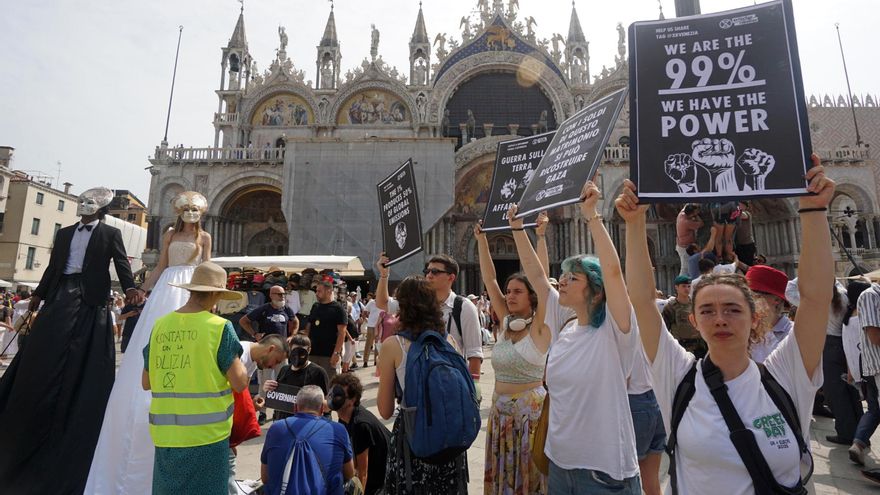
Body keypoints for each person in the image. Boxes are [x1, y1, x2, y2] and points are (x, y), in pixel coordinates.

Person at [617, 156, 833, 494]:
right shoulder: (677, 377)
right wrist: (633, 223)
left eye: (732, 309)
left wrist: (814, 211)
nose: (719, 318)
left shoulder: (787, 374)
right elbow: (642, 301)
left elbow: (817, 298)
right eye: (707, 311)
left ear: (755, 315)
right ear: (693, 320)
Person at [0, 186, 141, 493]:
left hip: (91, 295)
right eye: (82, 202)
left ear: (100, 209)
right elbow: (53, 267)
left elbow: (121, 264)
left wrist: (130, 288)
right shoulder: (64, 234)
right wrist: (38, 294)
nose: (83, 206)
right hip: (62, 290)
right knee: (49, 337)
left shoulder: (109, 234)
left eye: (89, 204)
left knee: (85, 342)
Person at [511, 181, 642, 494]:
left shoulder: (615, 331)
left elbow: (613, 273)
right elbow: (538, 278)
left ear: (595, 291)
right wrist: (517, 229)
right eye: (564, 276)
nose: (563, 282)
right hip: (559, 465)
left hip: (602, 473)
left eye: (573, 278)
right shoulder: (566, 326)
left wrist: (592, 215)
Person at [86, 190, 212, 494]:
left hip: (190, 287)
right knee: (154, 337)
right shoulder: (169, 234)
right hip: (167, 289)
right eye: (186, 210)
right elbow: (160, 266)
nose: (190, 216)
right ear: (179, 212)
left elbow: (206, 269)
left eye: (195, 211)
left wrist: (209, 299)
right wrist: (140, 289)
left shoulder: (205, 238)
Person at [142, 261, 249, 495]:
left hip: (166, 435)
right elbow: (240, 382)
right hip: (207, 436)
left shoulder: (160, 325)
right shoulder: (219, 327)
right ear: (212, 293)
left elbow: (146, 382)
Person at [475, 217, 551, 494]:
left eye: (518, 291)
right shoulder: (506, 323)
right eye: (508, 292)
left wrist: (540, 238)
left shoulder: (541, 328)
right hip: (500, 416)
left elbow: (541, 280)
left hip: (530, 419)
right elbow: (489, 278)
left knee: (528, 480)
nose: (509, 296)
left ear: (532, 297)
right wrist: (482, 240)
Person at [376, 273, 471, 493]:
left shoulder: (393, 345)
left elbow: (385, 410)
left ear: (403, 305)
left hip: (413, 440)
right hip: (450, 439)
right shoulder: (449, 341)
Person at [376, 254, 484, 387]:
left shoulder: (463, 307)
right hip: (420, 381)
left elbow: (474, 354)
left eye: (435, 272)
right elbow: (382, 303)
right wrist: (384, 275)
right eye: (427, 271)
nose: (429, 275)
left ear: (451, 277)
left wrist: (474, 391)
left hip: (451, 384)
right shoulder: (418, 302)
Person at [261, 385, 355, 495]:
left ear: (295, 408)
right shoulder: (338, 430)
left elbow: (265, 477)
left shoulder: (275, 428)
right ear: (321, 409)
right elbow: (349, 473)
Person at [241, 284, 298, 423]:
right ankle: (262, 411)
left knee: (282, 381)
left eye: (284, 294)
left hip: (281, 353)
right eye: (279, 294)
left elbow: (295, 321)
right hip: (267, 353)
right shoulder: (264, 309)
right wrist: (255, 334)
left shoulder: (286, 309)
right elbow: (244, 321)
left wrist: (292, 336)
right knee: (265, 383)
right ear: (271, 295)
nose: (282, 297)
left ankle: (279, 410)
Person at [330, 373, 391, 495]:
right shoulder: (344, 416)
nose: (332, 398)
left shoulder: (360, 425)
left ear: (352, 401)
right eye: (332, 394)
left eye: (338, 396)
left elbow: (363, 472)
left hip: (382, 479)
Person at [845, 280, 876, 465]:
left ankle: (858, 443)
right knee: (874, 409)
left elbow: (848, 347)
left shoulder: (847, 318)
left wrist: (851, 371)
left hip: (862, 369)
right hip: (873, 366)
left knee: (874, 408)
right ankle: (859, 443)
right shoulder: (863, 318)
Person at [263, 334, 330, 421]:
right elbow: (276, 396)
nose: (298, 356)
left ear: (309, 350)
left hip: (306, 424)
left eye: (302, 352)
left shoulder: (318, 373)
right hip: (283, 422)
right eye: (295, 351)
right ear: (290, 349)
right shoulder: (284, 370)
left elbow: (327, 406)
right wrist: (267, 388)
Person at [302, 274, 348, 379]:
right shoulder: (315, 306)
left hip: (328, 355)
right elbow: (309, 326)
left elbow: (342, 333)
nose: (316, 294)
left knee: (329, 383)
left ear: (328, 291)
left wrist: (336, 353)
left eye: (319, 291)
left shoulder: (338, 309)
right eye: (316, 291)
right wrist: (306, 346)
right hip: (312, 353)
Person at [746, 265, 793, 364]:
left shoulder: (794, 334)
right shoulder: (741, 332)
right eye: (743, 294)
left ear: (776, 299)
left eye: (753, 295)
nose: (746, 300)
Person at [662, 275, 706, 358]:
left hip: (699, 348)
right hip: (681, 348)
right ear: (676, 287)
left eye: (689, 286)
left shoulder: (695, 304)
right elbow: (665, 329)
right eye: (683, 286)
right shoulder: (671, 307)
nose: (687, 289)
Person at [676, 204, 704, 276]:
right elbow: (701, 224)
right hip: (685, 248)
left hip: (683, 245)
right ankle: (681, 283)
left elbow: (686, 205)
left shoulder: (682, 213)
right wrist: (696, 216)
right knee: (685, 269)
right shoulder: (686, 222)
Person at [734, 201, 757, 265]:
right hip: (739, 244)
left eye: (739, 204)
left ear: (744, 206)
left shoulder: (747, 214)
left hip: (747, 244)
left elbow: (742, 215)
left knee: (748, 263)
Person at [362, 292, 380, 367]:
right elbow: (364, 311)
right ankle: (365, 361)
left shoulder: (383, 302)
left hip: (379, 326)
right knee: (368, 343)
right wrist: (366, 319)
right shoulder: (371, 302)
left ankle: (376, 360)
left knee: (378, 344)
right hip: (371, 325)